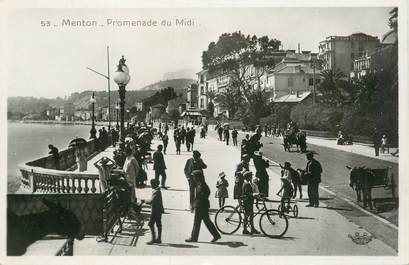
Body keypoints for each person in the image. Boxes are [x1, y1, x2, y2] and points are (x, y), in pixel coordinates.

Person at [185, 170, 221, 243]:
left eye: (194, 176)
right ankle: (216, 235)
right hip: (201, 206)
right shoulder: (199, 184)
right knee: (207, 222)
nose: (193, 178)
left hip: (201, 206)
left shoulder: (202, 185)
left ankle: (194, 238)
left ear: (198, 177)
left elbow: (206, 193)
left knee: (197, 222)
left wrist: (199, 202)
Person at [144, 179, 164, 245]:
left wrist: (144, 201)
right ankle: (159, 238)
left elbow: (152, 201)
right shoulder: (157, 191)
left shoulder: (156, 192)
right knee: (158, 224)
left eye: (152, 184)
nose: (151, 186)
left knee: (151, 224)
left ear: (155, 184)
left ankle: (153, 239)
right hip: (158, 210)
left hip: (155, 211)